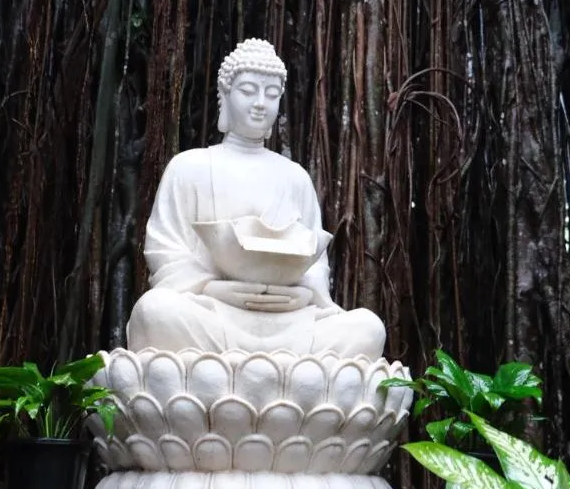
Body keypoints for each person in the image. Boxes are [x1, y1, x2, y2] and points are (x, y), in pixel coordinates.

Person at [127, 39, 386, 358]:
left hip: (289, 322)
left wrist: (304, 295)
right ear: (224, 95)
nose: (261, 103)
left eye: (272, 94)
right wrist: (212, 287)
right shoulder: (189, 167)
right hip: (213, 312)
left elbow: (315, 266)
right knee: (154, 312)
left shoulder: (295, 178)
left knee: (368, 328)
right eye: (248, 90)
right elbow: (164, 251)